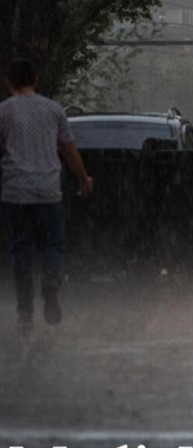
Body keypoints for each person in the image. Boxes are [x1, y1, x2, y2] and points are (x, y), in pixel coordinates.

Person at [0, 59, 93, 329]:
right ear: (36, 80)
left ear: (8, 83)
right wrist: (83, 178)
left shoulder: (4, 112)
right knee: (53, 245)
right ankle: (51, 280)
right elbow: (68, 149)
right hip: (48, 191)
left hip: (16, 192)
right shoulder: (53, 110)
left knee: (20, 251)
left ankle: (25, 313)